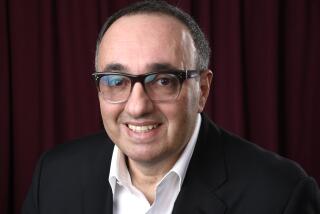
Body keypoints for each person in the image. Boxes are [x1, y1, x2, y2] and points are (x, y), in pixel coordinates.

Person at [22, 1, 320, 213]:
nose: (137, 107)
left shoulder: (280, 195)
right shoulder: (54, 176)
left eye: (164, 81)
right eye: (116, 80)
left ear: (202, 89)